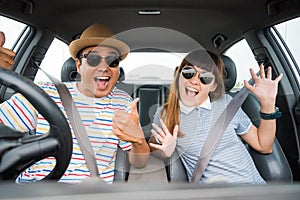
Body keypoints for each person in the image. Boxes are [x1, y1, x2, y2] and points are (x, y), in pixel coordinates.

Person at [0, 23, 150, 184]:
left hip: (91, 193)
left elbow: (139, 162)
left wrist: (139, 140)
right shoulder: (45, 93)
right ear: (79, 65)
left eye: (112, 60)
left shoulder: (123, 102)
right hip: (37, 191)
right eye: (93, 58)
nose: (104, 67)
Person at [148, 49, 283, 184]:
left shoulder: (227, 103)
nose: (194, 81)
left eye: (205, 77)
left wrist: (267, 103)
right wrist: (165, 153)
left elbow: (264, 146)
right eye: (188, 73)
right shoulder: (166, 113)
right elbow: (153, 147)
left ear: (213, 86)